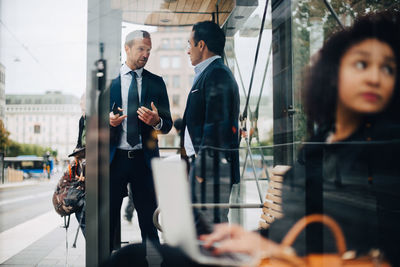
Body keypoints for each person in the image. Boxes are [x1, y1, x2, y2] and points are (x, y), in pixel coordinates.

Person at [109, 30, 172, 251]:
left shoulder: (156, 83)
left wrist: (156, 122)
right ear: (127, 48)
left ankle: (154, 263)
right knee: (109, 221)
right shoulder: (110, 81)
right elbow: (94, 122)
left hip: (143, 161)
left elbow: (168, 124)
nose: (146, 54)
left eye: (148, 50)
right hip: (114, 160)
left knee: (149, 220)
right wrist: (109, 122)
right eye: (141, 49)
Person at [182, 20, 240, 225]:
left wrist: (202, 172)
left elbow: (218, 126)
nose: (188, 51)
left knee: (210, 233)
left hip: (211, 173)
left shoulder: (217, 74)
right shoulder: (208, 74)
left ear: (201, 45)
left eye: (189, 44)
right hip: (204, 170)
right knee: (202, 233)